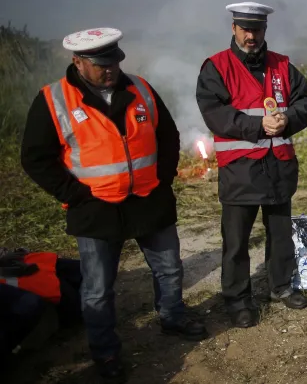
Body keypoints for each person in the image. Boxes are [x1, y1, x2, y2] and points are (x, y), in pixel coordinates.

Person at [20, 27, 207, 381]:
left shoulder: (140, 88)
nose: (110, 69)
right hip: (95, 208)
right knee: (97, 288)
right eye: (101, 63)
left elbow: (167, 134)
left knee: (169, 269)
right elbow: (35, 158)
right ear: (77, 62)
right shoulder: (53, 99)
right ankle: (105, 352)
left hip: (149, 199)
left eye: (114, 61)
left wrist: (163, 177)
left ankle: (173, 317)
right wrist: (74, 195)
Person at [196, 2, 307, 328]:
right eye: (245, 29)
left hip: (278, 166)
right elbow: (214, 113)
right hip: (240, 169)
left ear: (265, 30)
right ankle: (238, 300)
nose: (251, 35)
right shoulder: (216, 67)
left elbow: (305, 100)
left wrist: (288, 119)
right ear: (234, 28)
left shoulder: (282, 65)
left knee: (280, 234)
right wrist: (258, 127)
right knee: (236, 241)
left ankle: (280, 286)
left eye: (257, 29)